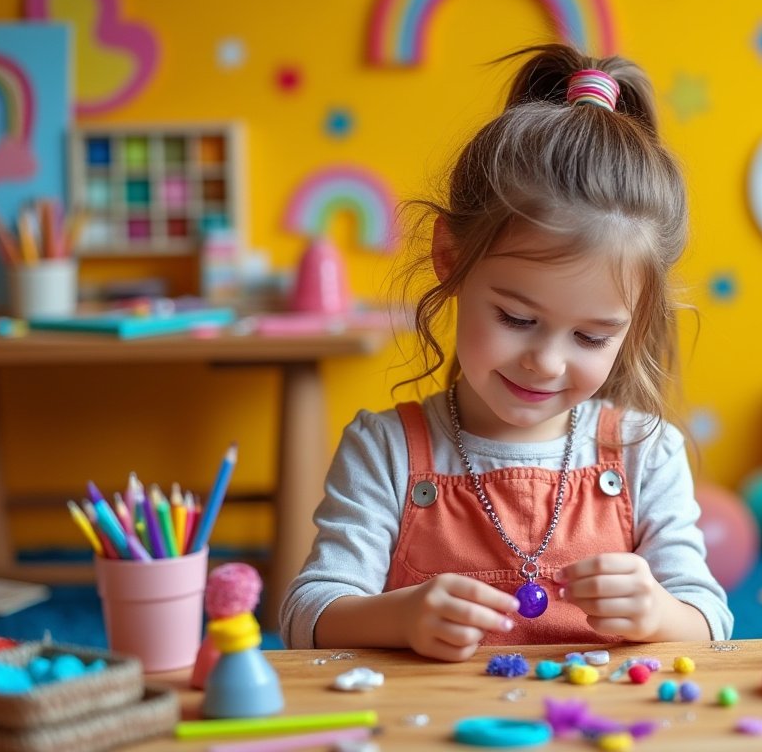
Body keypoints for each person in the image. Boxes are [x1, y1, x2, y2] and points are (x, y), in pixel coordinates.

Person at [280, 44, 732, 661]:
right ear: (450, 258)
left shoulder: (644, 452)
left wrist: (660, 610)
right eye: (518, 318)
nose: (545, 362)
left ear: (636, 322)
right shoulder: (384, 451)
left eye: (592, 337)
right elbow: (308, 613)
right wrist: (399, 616)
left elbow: (711, 620)